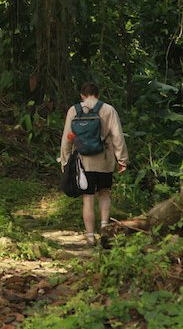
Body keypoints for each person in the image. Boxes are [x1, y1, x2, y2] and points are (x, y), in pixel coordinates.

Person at [60, 82, 129, 246]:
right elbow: (118, 136)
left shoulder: (74, 110)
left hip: (84, 162)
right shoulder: (108, 110)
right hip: (104, 160)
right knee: (105, 193)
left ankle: (90, 236)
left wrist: (65, 161)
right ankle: (105, 229)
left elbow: (66, 139)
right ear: (98, 95)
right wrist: (122, 159)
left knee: (88, 198)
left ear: (82, 95)